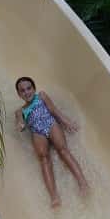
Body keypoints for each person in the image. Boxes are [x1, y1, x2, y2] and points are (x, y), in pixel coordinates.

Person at [14, 76, 89, 208]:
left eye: (29, 88)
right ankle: (54, 196)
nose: (26, 92)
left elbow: (54, 111)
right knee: (44, 159)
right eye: (22, 91)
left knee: (63, 151)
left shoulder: (41, 96)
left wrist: (67, 122)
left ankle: (82, 182)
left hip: (51, 124)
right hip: (37, 132)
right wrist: (20, 125)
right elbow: (19, 122)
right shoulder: (20, 111)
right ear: (19, 94)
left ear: (34, 88)